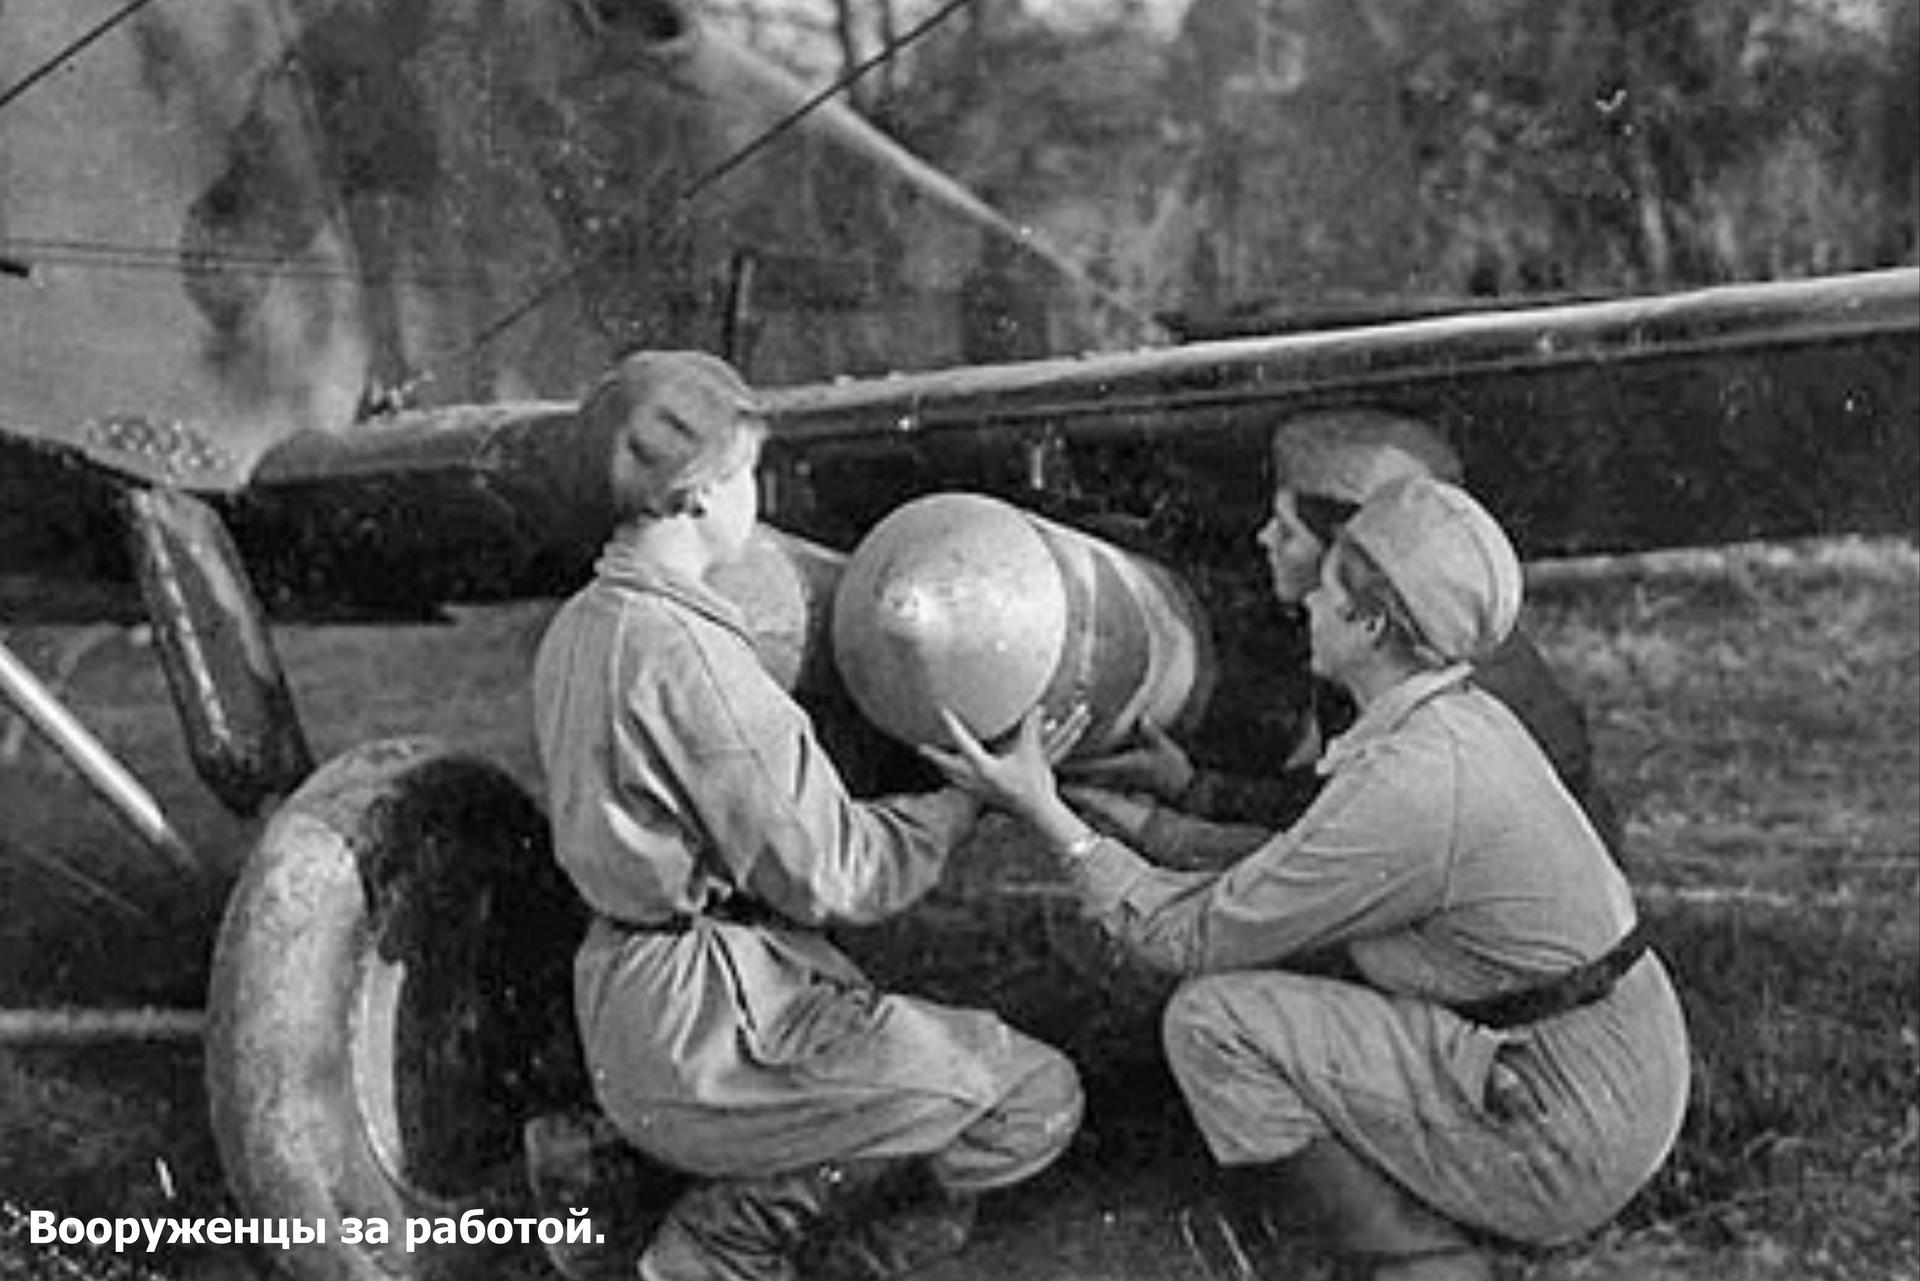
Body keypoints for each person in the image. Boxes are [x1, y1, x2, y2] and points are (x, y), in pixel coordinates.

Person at [924, 475, 1691, 1281]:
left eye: (1327, 590)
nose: (1310, 606)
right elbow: (1301, 858)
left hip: (1565, 1127)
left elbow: (1183, 937)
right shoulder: (1457, 720)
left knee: (1214, 1021)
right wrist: (1151, 826)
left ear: (1373, 623)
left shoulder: (1414, 780)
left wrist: (1045, 813)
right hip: (1612, 1067)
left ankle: (1424, 1263)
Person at [531, 350, 1083, 1281]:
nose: (757, 496)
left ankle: (635, 1170)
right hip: (710, 1030)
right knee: (1031, 1095)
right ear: (700, 493)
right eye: (748, 472)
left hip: (627, 1003)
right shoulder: (695, 662)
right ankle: (725, 1243)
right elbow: (838, 872)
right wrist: (972, 800)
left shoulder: (581, 625)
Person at [1074, 408, 1623, 858]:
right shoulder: (1409, 643)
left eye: (1288, 530)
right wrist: (1191, 788)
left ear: (1354, 551)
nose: (1265, 539)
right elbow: (1329, 799)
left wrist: (1164, 832)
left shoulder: (1433, 698)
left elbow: (1330, 862)